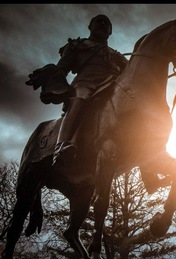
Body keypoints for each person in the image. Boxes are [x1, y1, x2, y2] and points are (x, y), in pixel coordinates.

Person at [36, 14, 128, 168]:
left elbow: (131, 73)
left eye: (106, 23)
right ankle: (62, 145)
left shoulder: (116, 55)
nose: (102, 23)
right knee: (82, 97)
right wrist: (54, 82)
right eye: (98, 21)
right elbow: (62, 69)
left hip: (112, 86)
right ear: (90, 26)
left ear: (110, 32)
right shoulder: (77, 45)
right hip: (85, 83)